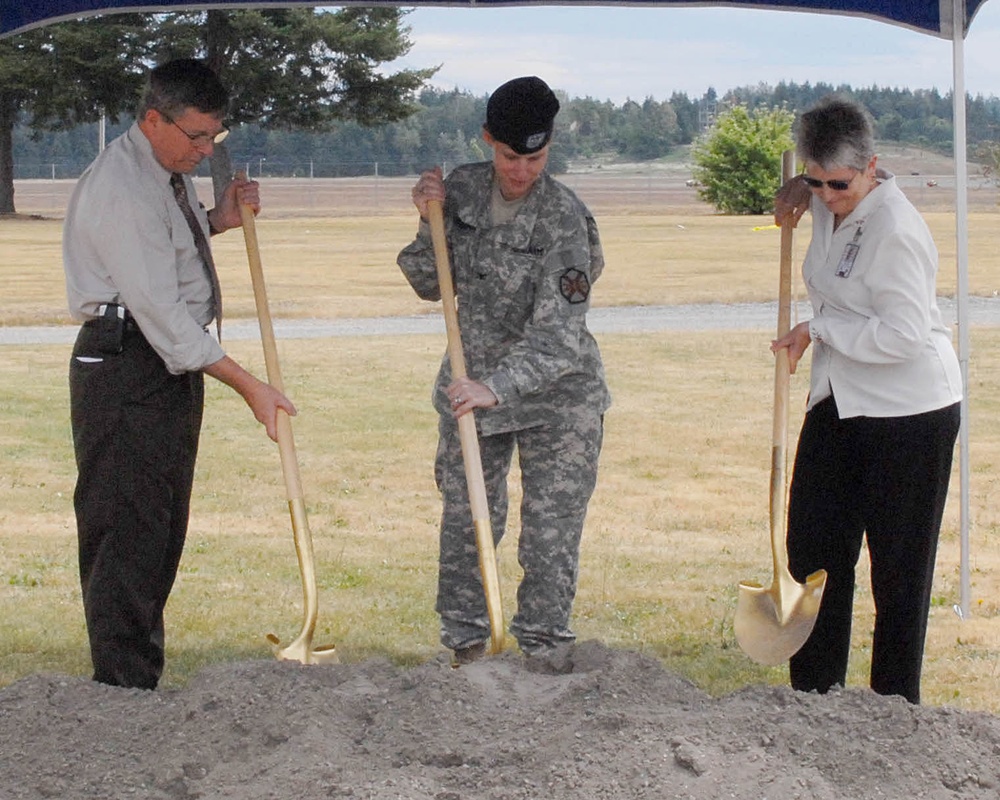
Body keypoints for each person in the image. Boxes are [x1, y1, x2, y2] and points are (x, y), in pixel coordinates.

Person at [63, 58, 295, 690]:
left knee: (160, 527)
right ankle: (121, 690)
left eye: (212, 137)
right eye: (193, 136)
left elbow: (170, 251)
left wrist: (216, 220)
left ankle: (138, 679)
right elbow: (161, 313)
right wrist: (251, 386)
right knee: (127, 532)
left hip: (160, 368)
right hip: (125, 365)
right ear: (151, 119)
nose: (202, 149)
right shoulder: (123, 187)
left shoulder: (162, 173)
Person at [397, 76, 611, 672]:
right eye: (511, 156)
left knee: (549, 532)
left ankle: (545, 654)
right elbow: (426, 280)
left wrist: (497, 387)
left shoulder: (564, 216)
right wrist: (427, 220)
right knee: (468, 519)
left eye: (536, 158)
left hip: (556, 397)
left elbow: (558, 336)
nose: (521, 171)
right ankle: (468, 651)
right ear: (489, 140)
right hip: (471, 385)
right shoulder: (458, 191)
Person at [771, 96, 962, 704]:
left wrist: (818, 330)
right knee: (814, 550)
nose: (828, 195)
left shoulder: (898, 232)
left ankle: (891, 711)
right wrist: (799, 192)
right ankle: (816, 697)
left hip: (912, 411)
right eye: (816, 179)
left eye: (840, 184)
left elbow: (905, 335)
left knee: (899, 572)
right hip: (841, 399)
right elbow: (817, 199)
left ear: (871, 165)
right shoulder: (825, 199)